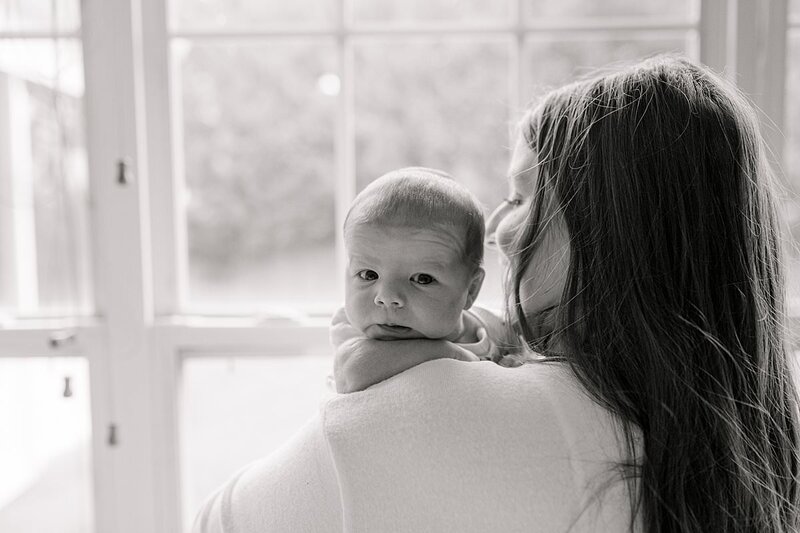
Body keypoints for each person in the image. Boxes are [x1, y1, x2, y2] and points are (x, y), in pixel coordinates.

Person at [193, 55, 800, 533]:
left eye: (521, 195)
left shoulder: (426, 409)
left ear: (611, 227)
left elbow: (218, 522)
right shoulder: (763, 458)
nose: (499, 226)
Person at [330, 166, 520, 393]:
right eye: (368, 275)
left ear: (470, 290)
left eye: (421, 279)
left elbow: (516, 350)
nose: (388, 297)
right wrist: (449, 354)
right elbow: (352, 372)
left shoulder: (487, 326)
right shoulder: (355, 331)